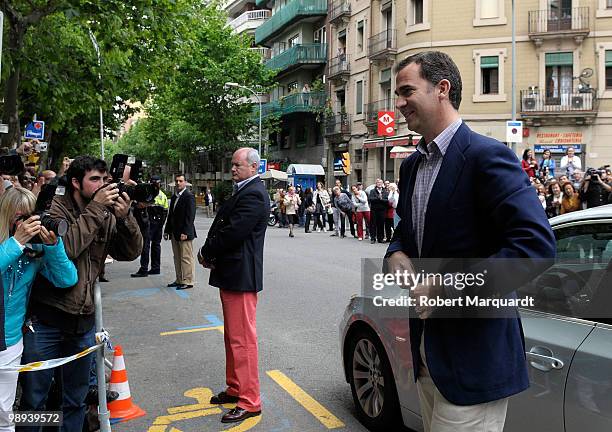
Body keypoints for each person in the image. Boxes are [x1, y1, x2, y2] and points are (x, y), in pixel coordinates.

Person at [387, 51, 555, 432]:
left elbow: (535, 246)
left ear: (441, 89)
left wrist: (444, 284)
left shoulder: (487, 155)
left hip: (475, 365)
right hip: (430, 357)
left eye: (407, 91)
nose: (398, 103)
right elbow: (407, 233)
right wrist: (395, 254)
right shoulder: (412, 165)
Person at [19, 156, 143, 432]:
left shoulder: (104, 211)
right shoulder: (56, 208)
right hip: (46, 320)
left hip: (82, 322)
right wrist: (97, 208)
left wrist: (125, 219)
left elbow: (130, 252)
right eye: (95, 180)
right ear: (76, 182)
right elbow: (69, 248)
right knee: (33, 400)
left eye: (105, 180)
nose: (102, 186)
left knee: (74, 401)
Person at [198, 148, 268, 424]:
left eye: (238, 165)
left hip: (241, 275)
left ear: (254, 167)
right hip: (233, 272)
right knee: (233, 338)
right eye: (232, 164)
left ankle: (250, 400)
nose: (233, 169)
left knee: (243, 341)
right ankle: (236, 388)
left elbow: (233, 232)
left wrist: (207, 251)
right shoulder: (244, 189)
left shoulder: (253, 193)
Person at [0, 188, 77, 432]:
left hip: (10, 342)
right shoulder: (13, 245)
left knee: (4, 413)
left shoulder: (33, 251)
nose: (28, 225)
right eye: (21, 218)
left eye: (32, 217)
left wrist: (53, 246)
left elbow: (67, 279)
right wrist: (15, 242)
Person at [164, 174, 196, 290]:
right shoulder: (174, 197)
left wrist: (185, 232)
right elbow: (170, 215)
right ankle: (179, 279)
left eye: (180, 181)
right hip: (174, 232)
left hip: (184, 233)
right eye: (177, 181)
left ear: (185, 182)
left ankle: (188, 281)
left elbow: (190, 216)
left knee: (186, 257)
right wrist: (167, 230)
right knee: (177, 257)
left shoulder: (189, 196)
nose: (178, 183)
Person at [132, 176, 169, 277]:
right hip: (159, 223)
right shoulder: (163, 195)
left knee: (146, 245)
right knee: (156, 245)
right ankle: (155, 268)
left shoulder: (148, 193)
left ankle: (144, 269)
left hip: (148, 222)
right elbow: (166, 211)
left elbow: (140, 206)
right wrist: (161, 225)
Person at [368, 179, 388, 244]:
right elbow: (371, 199)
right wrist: (378, 198)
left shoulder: (385, 191)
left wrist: (381, 199)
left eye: (380, 182)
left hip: (382, 210)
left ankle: (380, 238)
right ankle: (373, 238)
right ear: (376, 184)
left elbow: (387, 200)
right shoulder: (372, 191)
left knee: (381, 224)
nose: (379, 184)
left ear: (382, 184)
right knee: (373, 224)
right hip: (374, 210)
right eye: (378, 182)